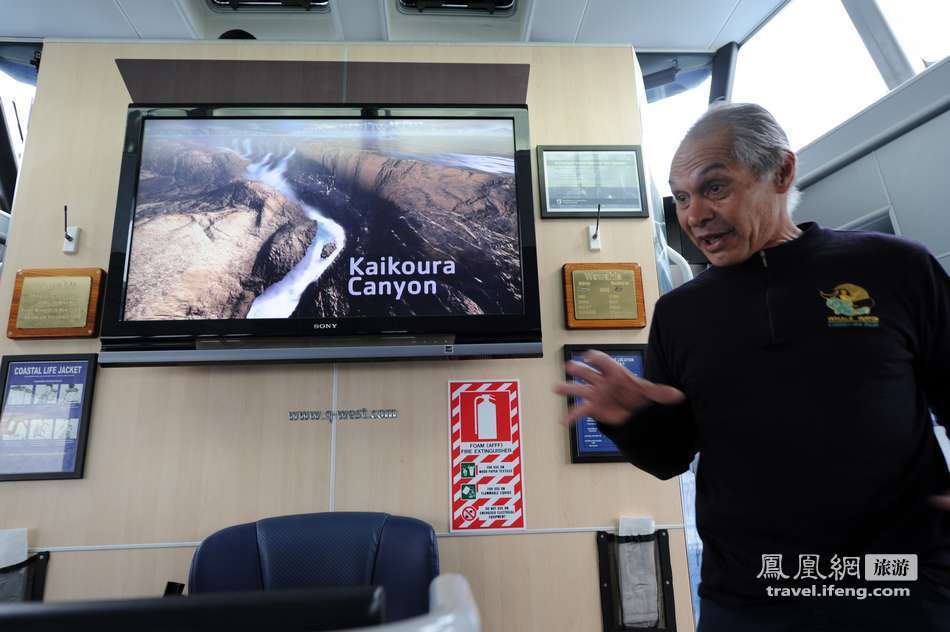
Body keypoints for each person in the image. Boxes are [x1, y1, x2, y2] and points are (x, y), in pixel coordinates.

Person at [554, 103, 950, 631]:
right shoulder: (679, 313)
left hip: (900, 586)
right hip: (747, 598)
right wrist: (630, 420)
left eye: (714, 188)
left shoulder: (894, 266)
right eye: (682, 198)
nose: (694, 215)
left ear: (781, 172)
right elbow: (671, 456)